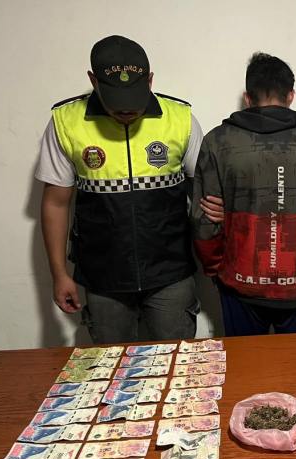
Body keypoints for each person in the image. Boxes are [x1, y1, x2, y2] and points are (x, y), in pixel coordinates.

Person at [36, 35, 202, 343]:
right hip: (103, 277)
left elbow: (205, 194)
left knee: (178, 363)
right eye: (116, 99)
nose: (126, 110)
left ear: (150, 81)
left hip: (171, 273)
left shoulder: (180, 119)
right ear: (93, 81)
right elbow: (55, 203)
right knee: (112, 366)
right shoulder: (66, 122)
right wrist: (59, 274)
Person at [193, 52, 296, 336]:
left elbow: (204, 221)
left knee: (245, 363)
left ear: (248, 98)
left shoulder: (217, 141)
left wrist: (216, 269)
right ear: (291, 95)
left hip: (240, 282)